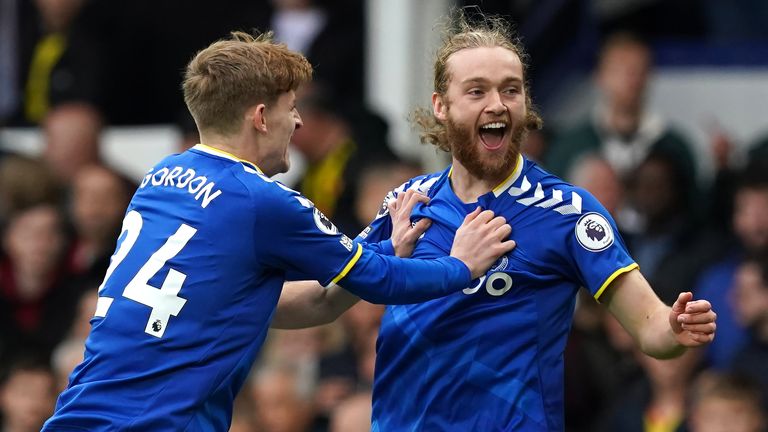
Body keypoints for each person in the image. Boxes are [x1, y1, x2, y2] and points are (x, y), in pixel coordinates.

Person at [41, 31, 514, 431]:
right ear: (261, 117)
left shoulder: (161, 177)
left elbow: (297, 302)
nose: (300, 121)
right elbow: (380, 280)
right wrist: (460, 265)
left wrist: (385, 245)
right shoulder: (260, 201)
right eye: (292, 107)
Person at [273, 10, 717, 430]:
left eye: (511, 89)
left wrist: (676, 328)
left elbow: (650, 327)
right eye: (477, 91)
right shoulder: (407, 203)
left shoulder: (567, 213)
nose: (498, 104)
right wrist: (221, 296)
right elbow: (325, 299)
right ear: (441, 106)